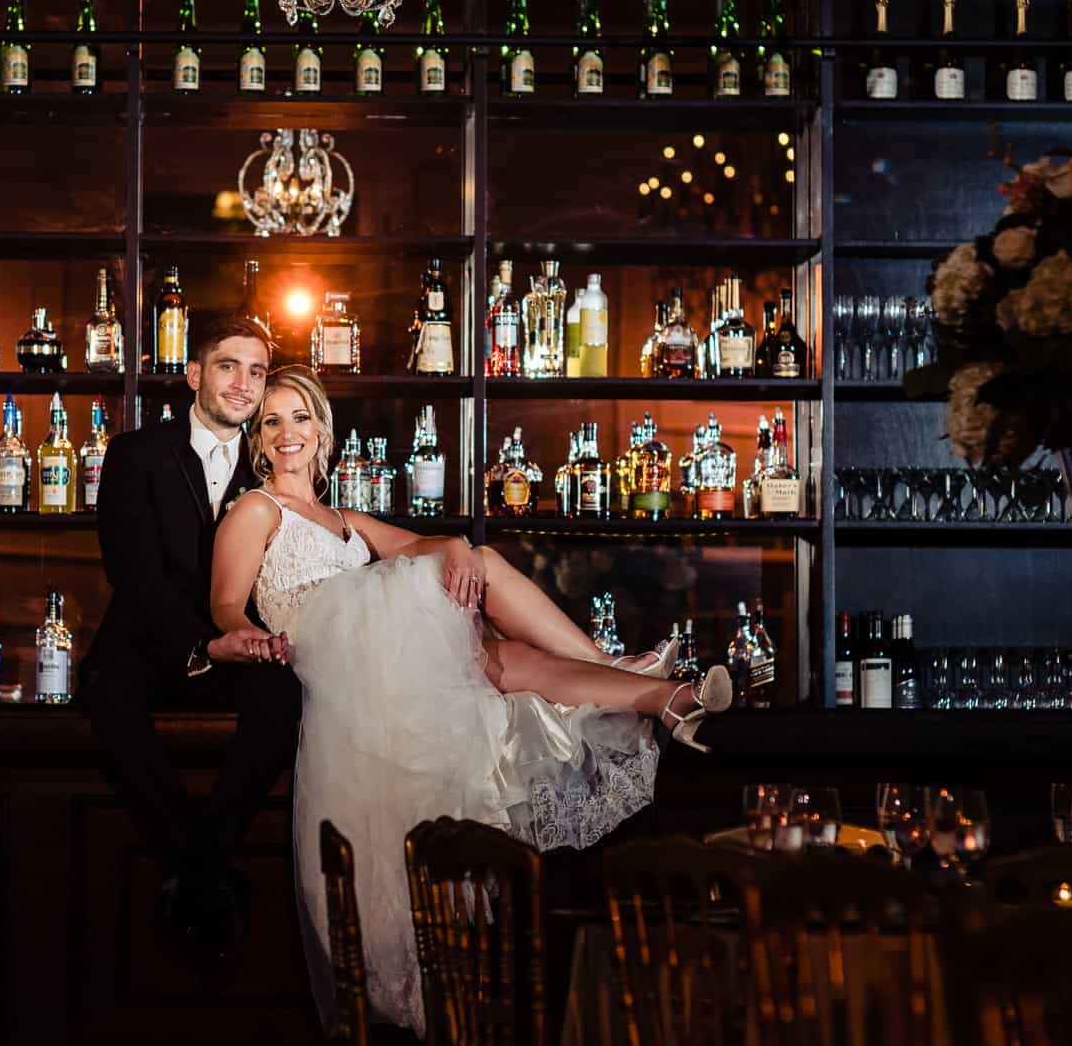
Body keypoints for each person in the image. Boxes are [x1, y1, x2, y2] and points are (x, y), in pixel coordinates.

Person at [210, 367, 731, 1034]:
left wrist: (453, 545)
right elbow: (224, 600)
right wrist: (241, 636)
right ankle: (614, 664)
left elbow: (424, 544)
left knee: (505, 654)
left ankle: (667, 696)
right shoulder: (257, 509)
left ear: (321, 430)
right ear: (258, 438)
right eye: (274, 420)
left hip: (380, 652)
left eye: (301, 417)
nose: (289, 433)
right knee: (471, 609)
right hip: (335, 654)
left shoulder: (341, 516)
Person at [80, 316, 297, 969]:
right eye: (229, 366)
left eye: (256, 372)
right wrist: (206, 644)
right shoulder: (135, 454)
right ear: (195, 374)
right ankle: (207, 873)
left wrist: (241, 641)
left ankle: (196, 870)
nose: (244, 384)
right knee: (108, 702)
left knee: (284, 697)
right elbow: (135, 574)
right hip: (149, 641)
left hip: (240, 639)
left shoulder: (274, 464)